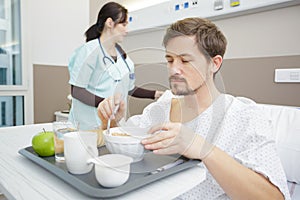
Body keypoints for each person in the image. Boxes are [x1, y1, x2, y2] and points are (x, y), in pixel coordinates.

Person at [97, 17, 291, 199]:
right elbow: (125, 152)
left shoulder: (244, 117)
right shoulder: (159, 109)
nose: (174, 69)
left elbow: (274, 197)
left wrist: (203, 149)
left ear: (214, 64)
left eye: (185, 60)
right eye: (170, 60)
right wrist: (112, 120)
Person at [67, 2, 163, 130]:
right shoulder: (89, 51)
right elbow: (77, 91)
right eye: (123, 24)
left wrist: (156, 94)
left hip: (114, 125)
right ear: (110, 23)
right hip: (87, 126)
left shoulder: (124, 58)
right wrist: (106, 103)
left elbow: (129, 88)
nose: (126, 30)